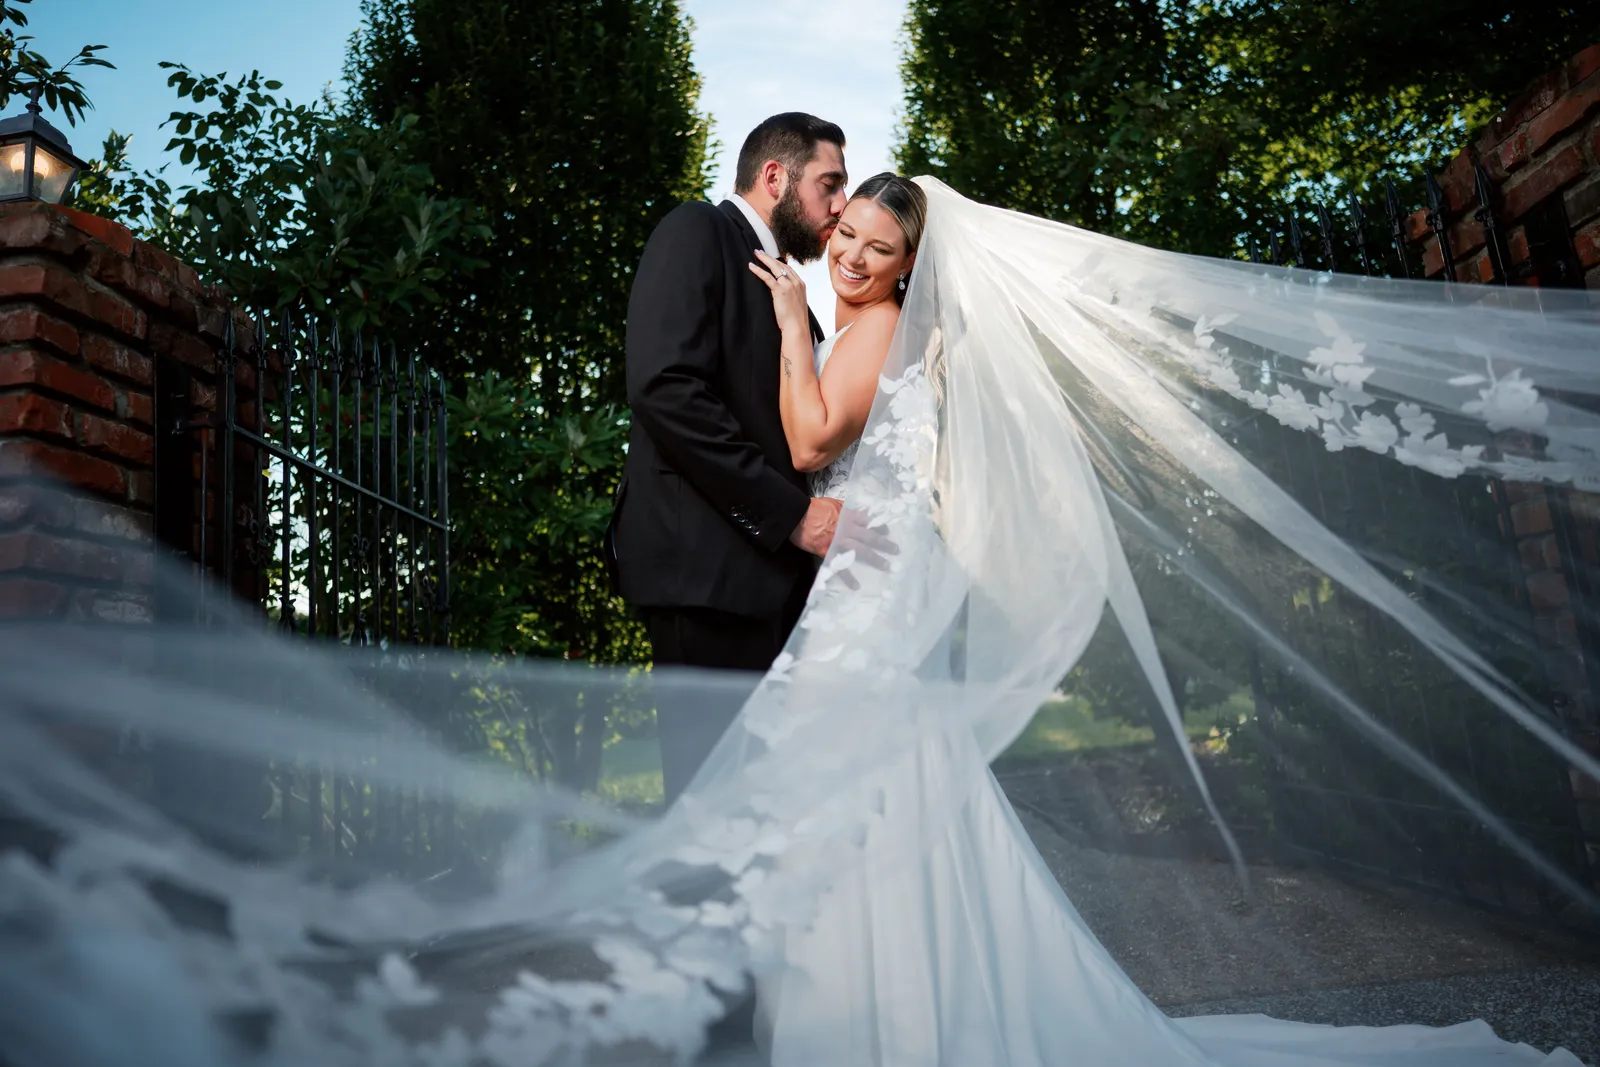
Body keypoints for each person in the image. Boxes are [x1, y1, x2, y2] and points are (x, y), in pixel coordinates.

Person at [607, 112, 849, 805]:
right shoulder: (696, 232)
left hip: (782, 593)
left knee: (772, 814)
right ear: (775, 176)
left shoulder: (796, 307)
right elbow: (664, 388)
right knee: (711, 819)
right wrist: (793, 516)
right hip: (704, 577)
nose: (839, 205)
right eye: (828, 184)